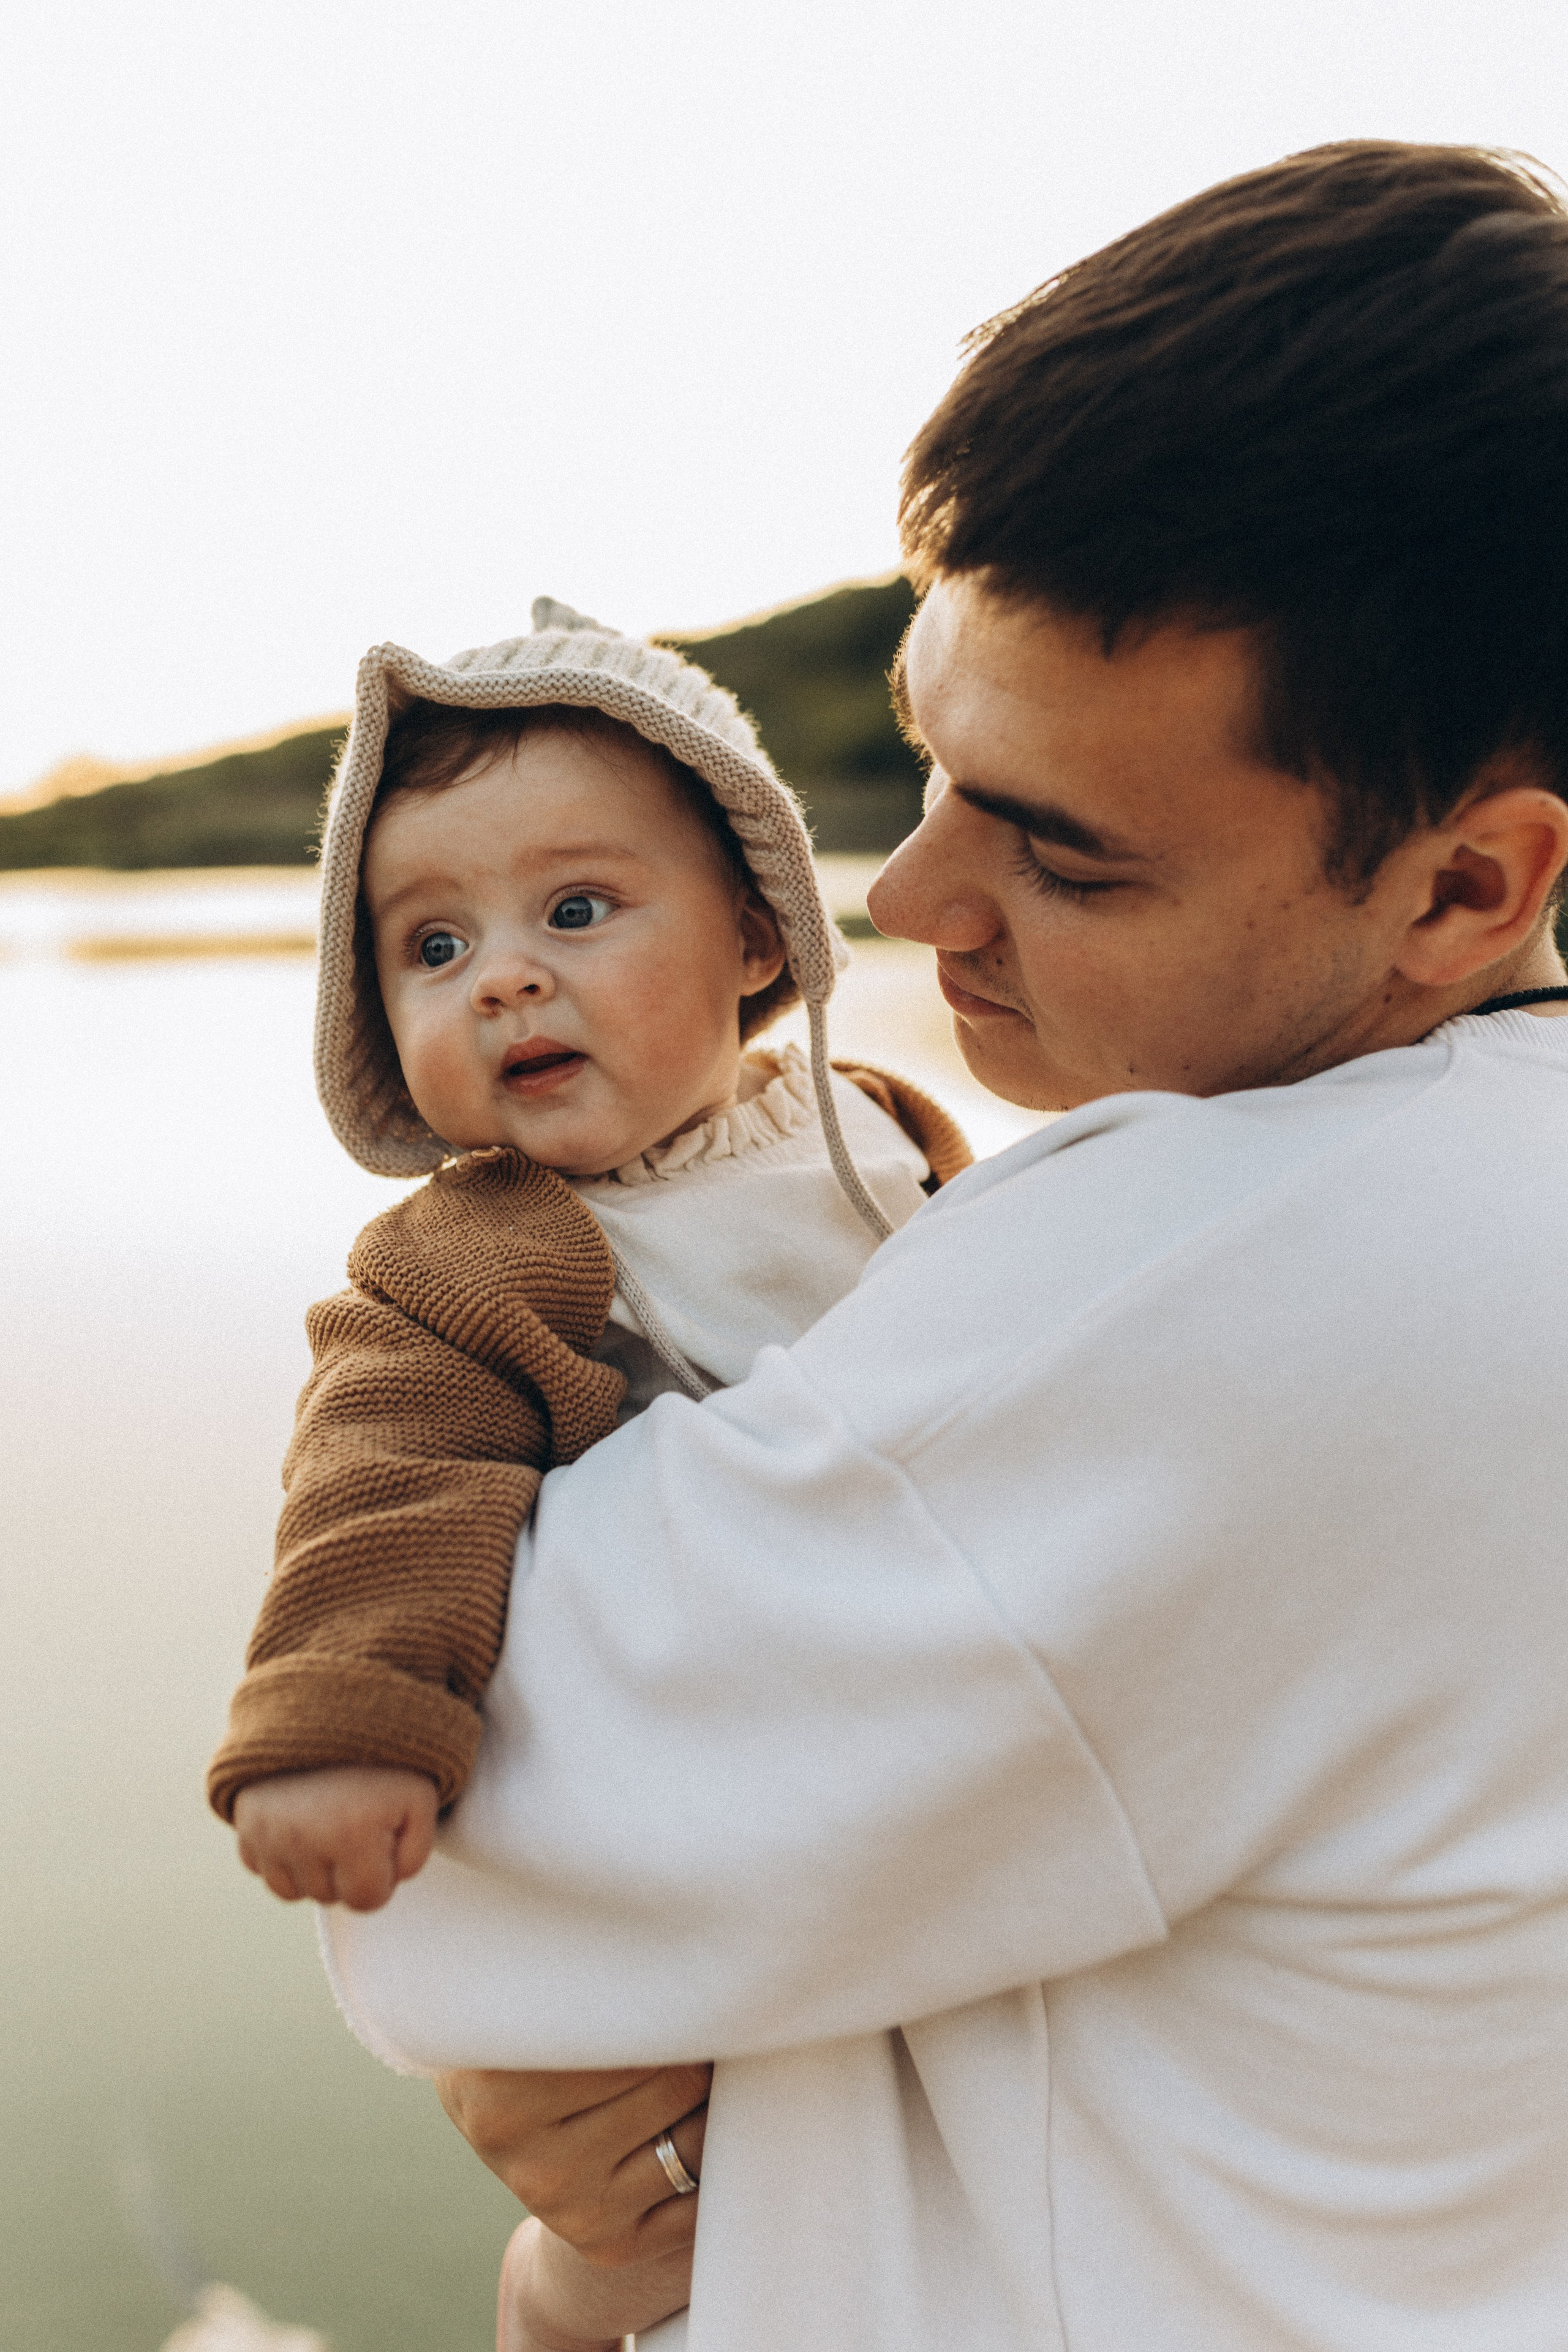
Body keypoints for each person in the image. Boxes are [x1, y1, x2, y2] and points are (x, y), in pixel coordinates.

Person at [330, 140, 1568, 2350]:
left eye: (1066, 855)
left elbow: (444, 1889)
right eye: (926, 763)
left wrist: (575, 2231)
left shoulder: (1213, 1266)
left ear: (1467, 891)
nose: (904, 906)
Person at [203, 611, 970, 2342]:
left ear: (763, 930)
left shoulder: (877, 1131)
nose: (504, 978)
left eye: (576, 911)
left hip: (895, 1784)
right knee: (662, 2211)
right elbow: (385, 1481)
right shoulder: (489, 1253)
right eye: (433, 945)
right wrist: (339, 1718)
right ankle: (582, 2302)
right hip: (680, 1847)